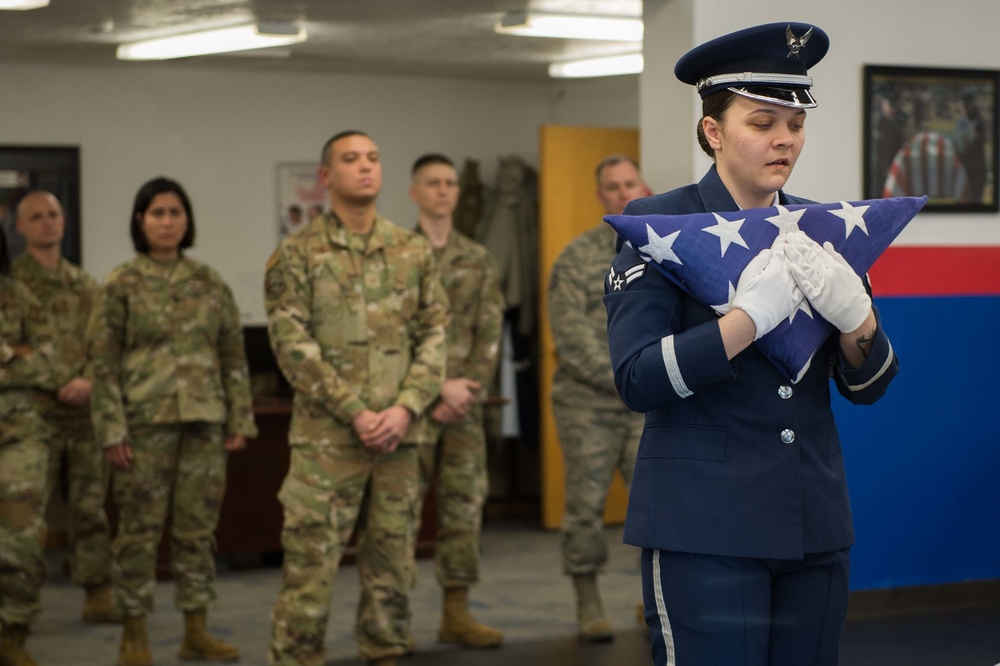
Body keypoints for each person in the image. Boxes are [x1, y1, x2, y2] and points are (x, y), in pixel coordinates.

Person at [604, 23, 899, 666]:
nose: (784, 140)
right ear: (713, 130)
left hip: (810, 519)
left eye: (794, 123)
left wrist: (856, 320)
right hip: (703, 524)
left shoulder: (824, 230)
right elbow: (637, 379)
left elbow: (869, 386)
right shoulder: (659, 227)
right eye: (762, 121)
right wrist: (746, 321)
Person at [265, 131, 449, 666]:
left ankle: (384, 652)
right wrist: (357, 412)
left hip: (400, 438)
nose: (365, 167)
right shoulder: (297, 253)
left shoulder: (411, 250)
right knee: (309, 573)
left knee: (393, 568)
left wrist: (404, 407)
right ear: (326, 177)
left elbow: (437, 335)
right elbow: (291, 343)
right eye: (350, 159)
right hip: (328, 444)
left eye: (372, 158)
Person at [88, 177, 257, 666]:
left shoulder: (209, 281)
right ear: (140, 221)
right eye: (157, 213)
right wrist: (112, 430)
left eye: (175, 213)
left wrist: (238, 417)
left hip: (203, 423)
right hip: (144, 426)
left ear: (187, 221)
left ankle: (195, 631)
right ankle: (134, 635)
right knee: (139, 534)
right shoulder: (120, 282)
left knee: (197, 532)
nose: (166, 222)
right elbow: (103, 363)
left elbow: (232, 354)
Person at [547, 155, 650, 642]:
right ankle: (588, 601)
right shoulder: (576, 257)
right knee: (586, 505)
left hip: (645, 403)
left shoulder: (659, 249)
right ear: (600, 196)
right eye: (611, 186)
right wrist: (621, 375)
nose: (621, 192)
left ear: (642, 185)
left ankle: (651, 595)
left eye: (629, 183)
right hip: (587, 402)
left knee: (654, 502)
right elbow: (569, 334)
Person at [408, 153, 505, 648]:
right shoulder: (397, 255)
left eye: (450, 183)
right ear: (414, 193)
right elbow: (391, 334)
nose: (444, 191)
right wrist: (432, 388)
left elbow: (490, 331)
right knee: (399, 513)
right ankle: (391, 620)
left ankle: (456, 612)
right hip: (410, 408)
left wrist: (467, 387)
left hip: (463, 406)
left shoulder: (478, 258)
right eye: (433, 183)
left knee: (464, 508)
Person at [11, 191, 117, 625]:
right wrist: (55, 379)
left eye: (53, 215)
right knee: (26, 517)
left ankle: (97, 591)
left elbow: (103, 344)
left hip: (84, 417)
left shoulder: (85, 284)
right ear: (20, 227)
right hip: (33, 418)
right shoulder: (10, 284)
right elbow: (8, 349)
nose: (46, 223)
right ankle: (20, 605)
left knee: (90, 510)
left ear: (64, 220)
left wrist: (90, 381)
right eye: (36, 217)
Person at [0, 225, 57, 666]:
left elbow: (48, 363)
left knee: (20, 539)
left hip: (17, 436)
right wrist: (10, 352)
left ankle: (13, 635)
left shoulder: (17, 296)